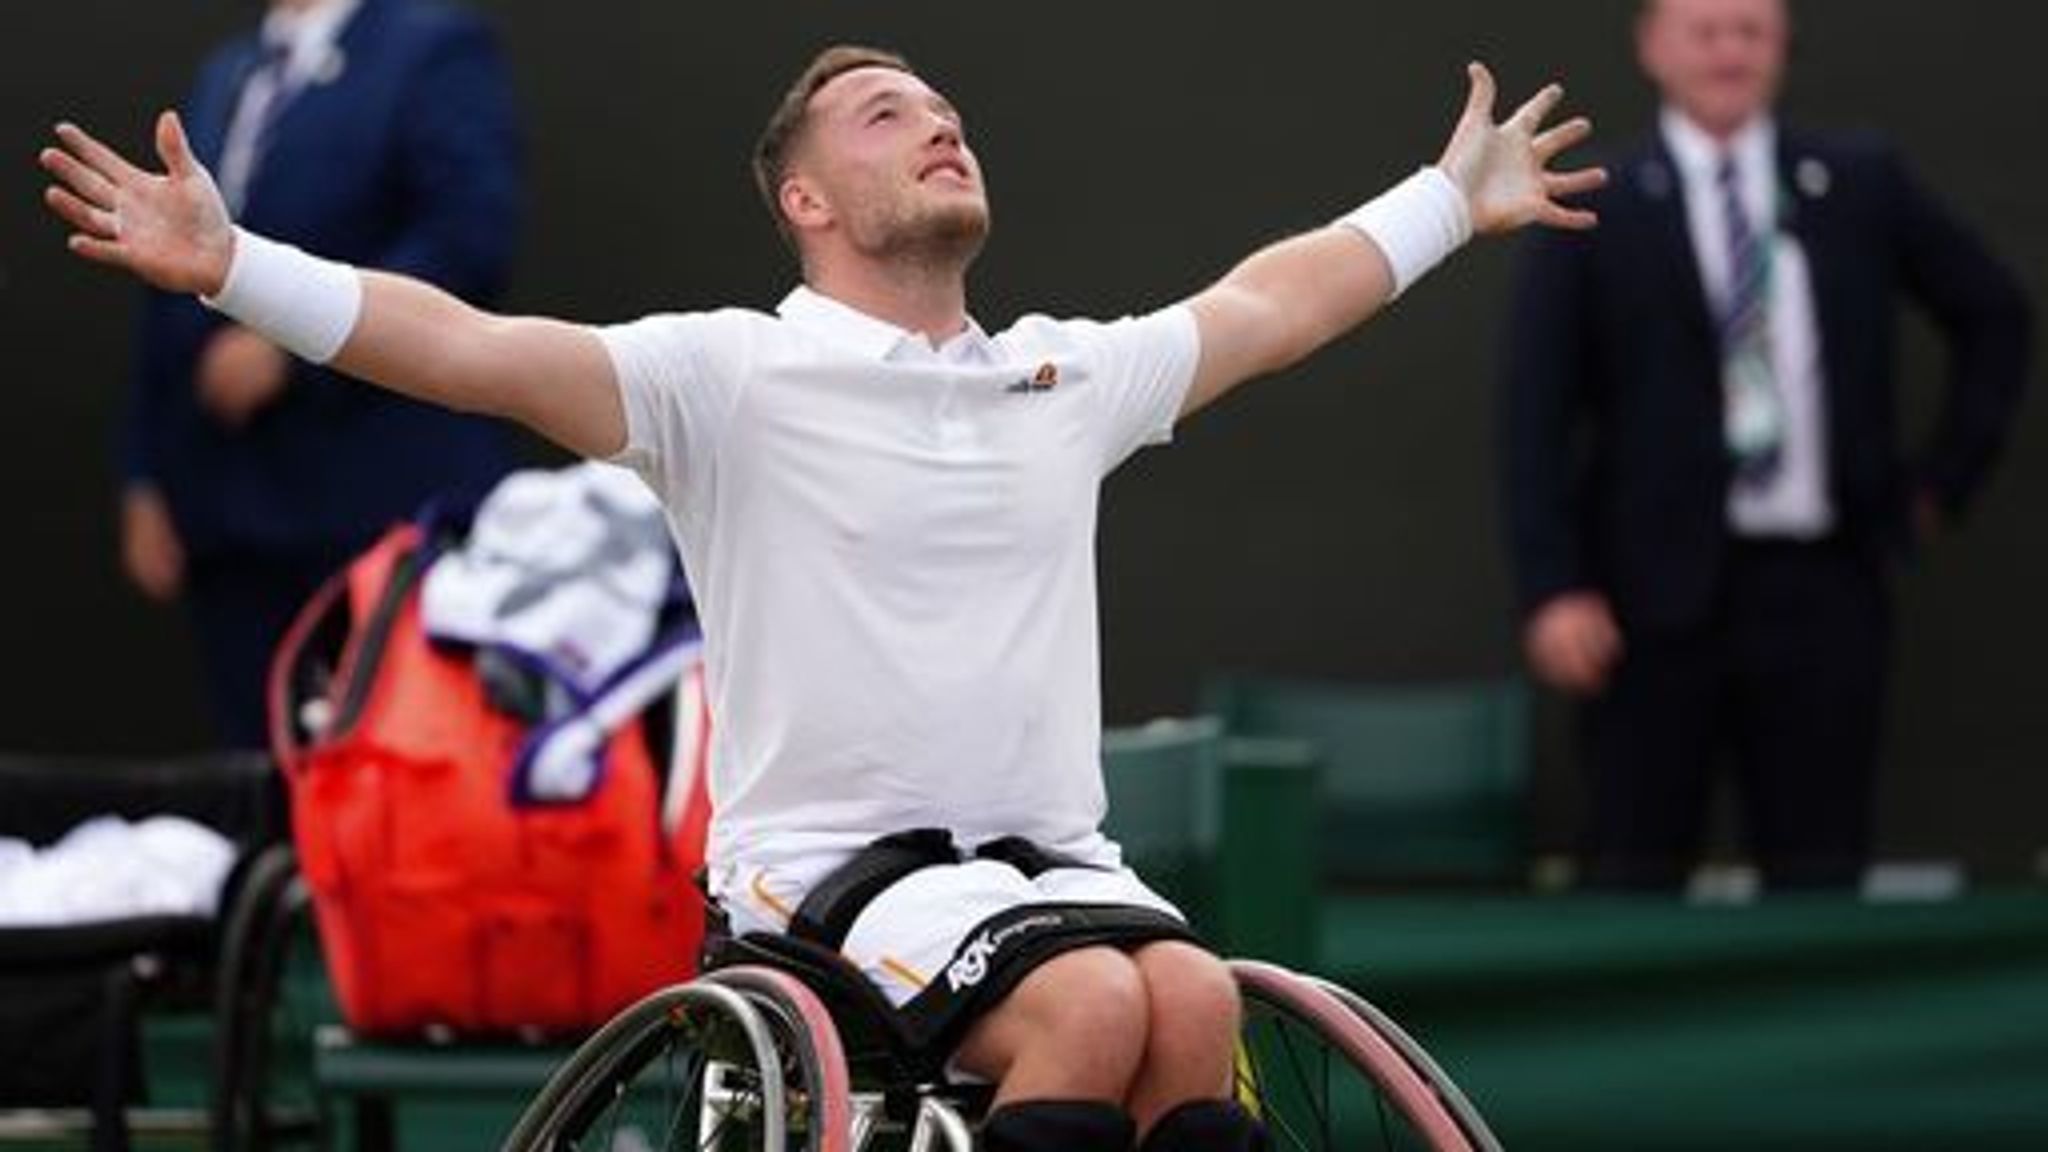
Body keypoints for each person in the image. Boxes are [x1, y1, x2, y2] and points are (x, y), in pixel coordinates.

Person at [42, 44, 1601, 1152]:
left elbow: (1269, 302)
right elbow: (464, 346)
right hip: (822, 885)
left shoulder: (1064, 374)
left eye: (945, 107)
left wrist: (1446, 204)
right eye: (886, 113)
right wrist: (236, 263)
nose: (938, 125)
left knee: (1191, 1005)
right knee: (1091, 1019)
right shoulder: (726, 374)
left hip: (1052, 866)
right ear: (803, 198)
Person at [1504, 0, 2031, 892]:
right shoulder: (1601, 200)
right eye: (1705, 30)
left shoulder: (1859, 181)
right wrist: (1554, 587)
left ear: (1782, 46)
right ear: (1655, 46)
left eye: (1750, 30)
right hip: (1647, 608)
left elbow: (1996, 315)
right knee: (1632, 874)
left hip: (1823, 591)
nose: (1728, 51)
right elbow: (1533, 410)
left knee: (1819, 871)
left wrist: (1940, 485)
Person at [119, 0, 521, 747]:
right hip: (230, 513)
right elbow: (164, 282)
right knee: (264, 779)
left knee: (398, 772)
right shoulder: (229, 71)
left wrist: (293, 342)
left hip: (376, 500)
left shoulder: (431, 46)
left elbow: (467, 236)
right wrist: (144, 472)